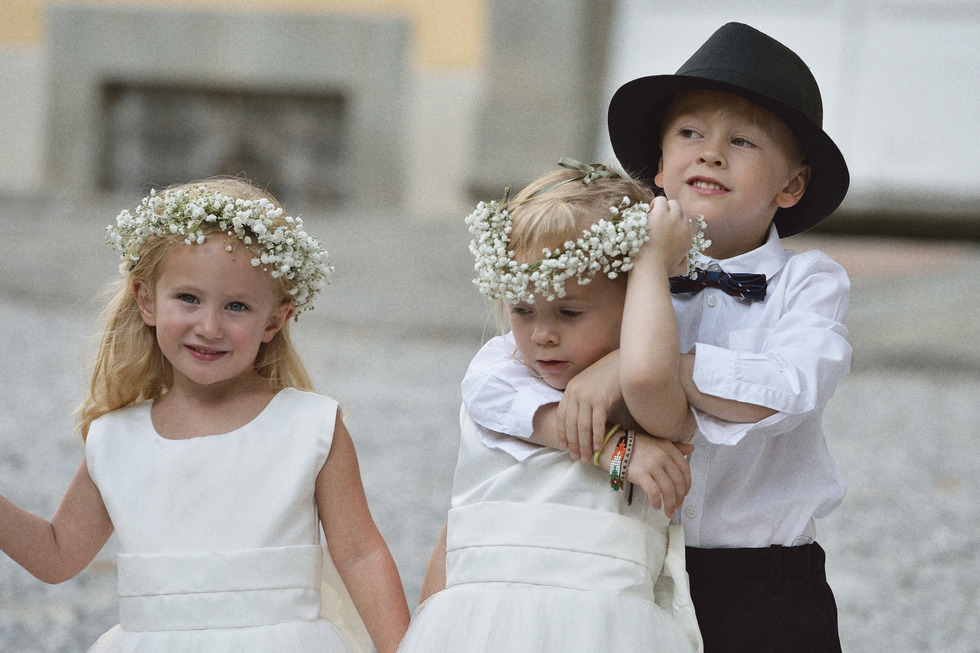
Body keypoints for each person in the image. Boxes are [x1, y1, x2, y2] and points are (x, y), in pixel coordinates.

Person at [469, 22, 852, 652]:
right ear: (659, 163)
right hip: (623, 567)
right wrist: (611, 447)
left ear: (792, 185)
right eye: (690, 133)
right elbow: (491, 382)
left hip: (765, 576)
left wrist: (627, 366)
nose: (710, 153)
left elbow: (785, 390)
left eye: (744, 141)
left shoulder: (809, 284)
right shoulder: (612, 270)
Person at [0, 179, 410, 652]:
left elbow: (360, 555)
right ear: (147, 300)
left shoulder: (310, 427)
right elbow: (57, 555)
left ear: (275, 320)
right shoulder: (115, 438)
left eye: (236, 306)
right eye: (188, 299)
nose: (209, 327)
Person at [397, 161, 704, 653]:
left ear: (632, 300)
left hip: (610, 623)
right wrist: (620, 450)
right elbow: (557, 424)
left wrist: (651, 268)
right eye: (522, 310)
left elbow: (655, 383)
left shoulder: (649, 382)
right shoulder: (497, 370)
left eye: (569, 312)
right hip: (491, 625)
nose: (541, 334)